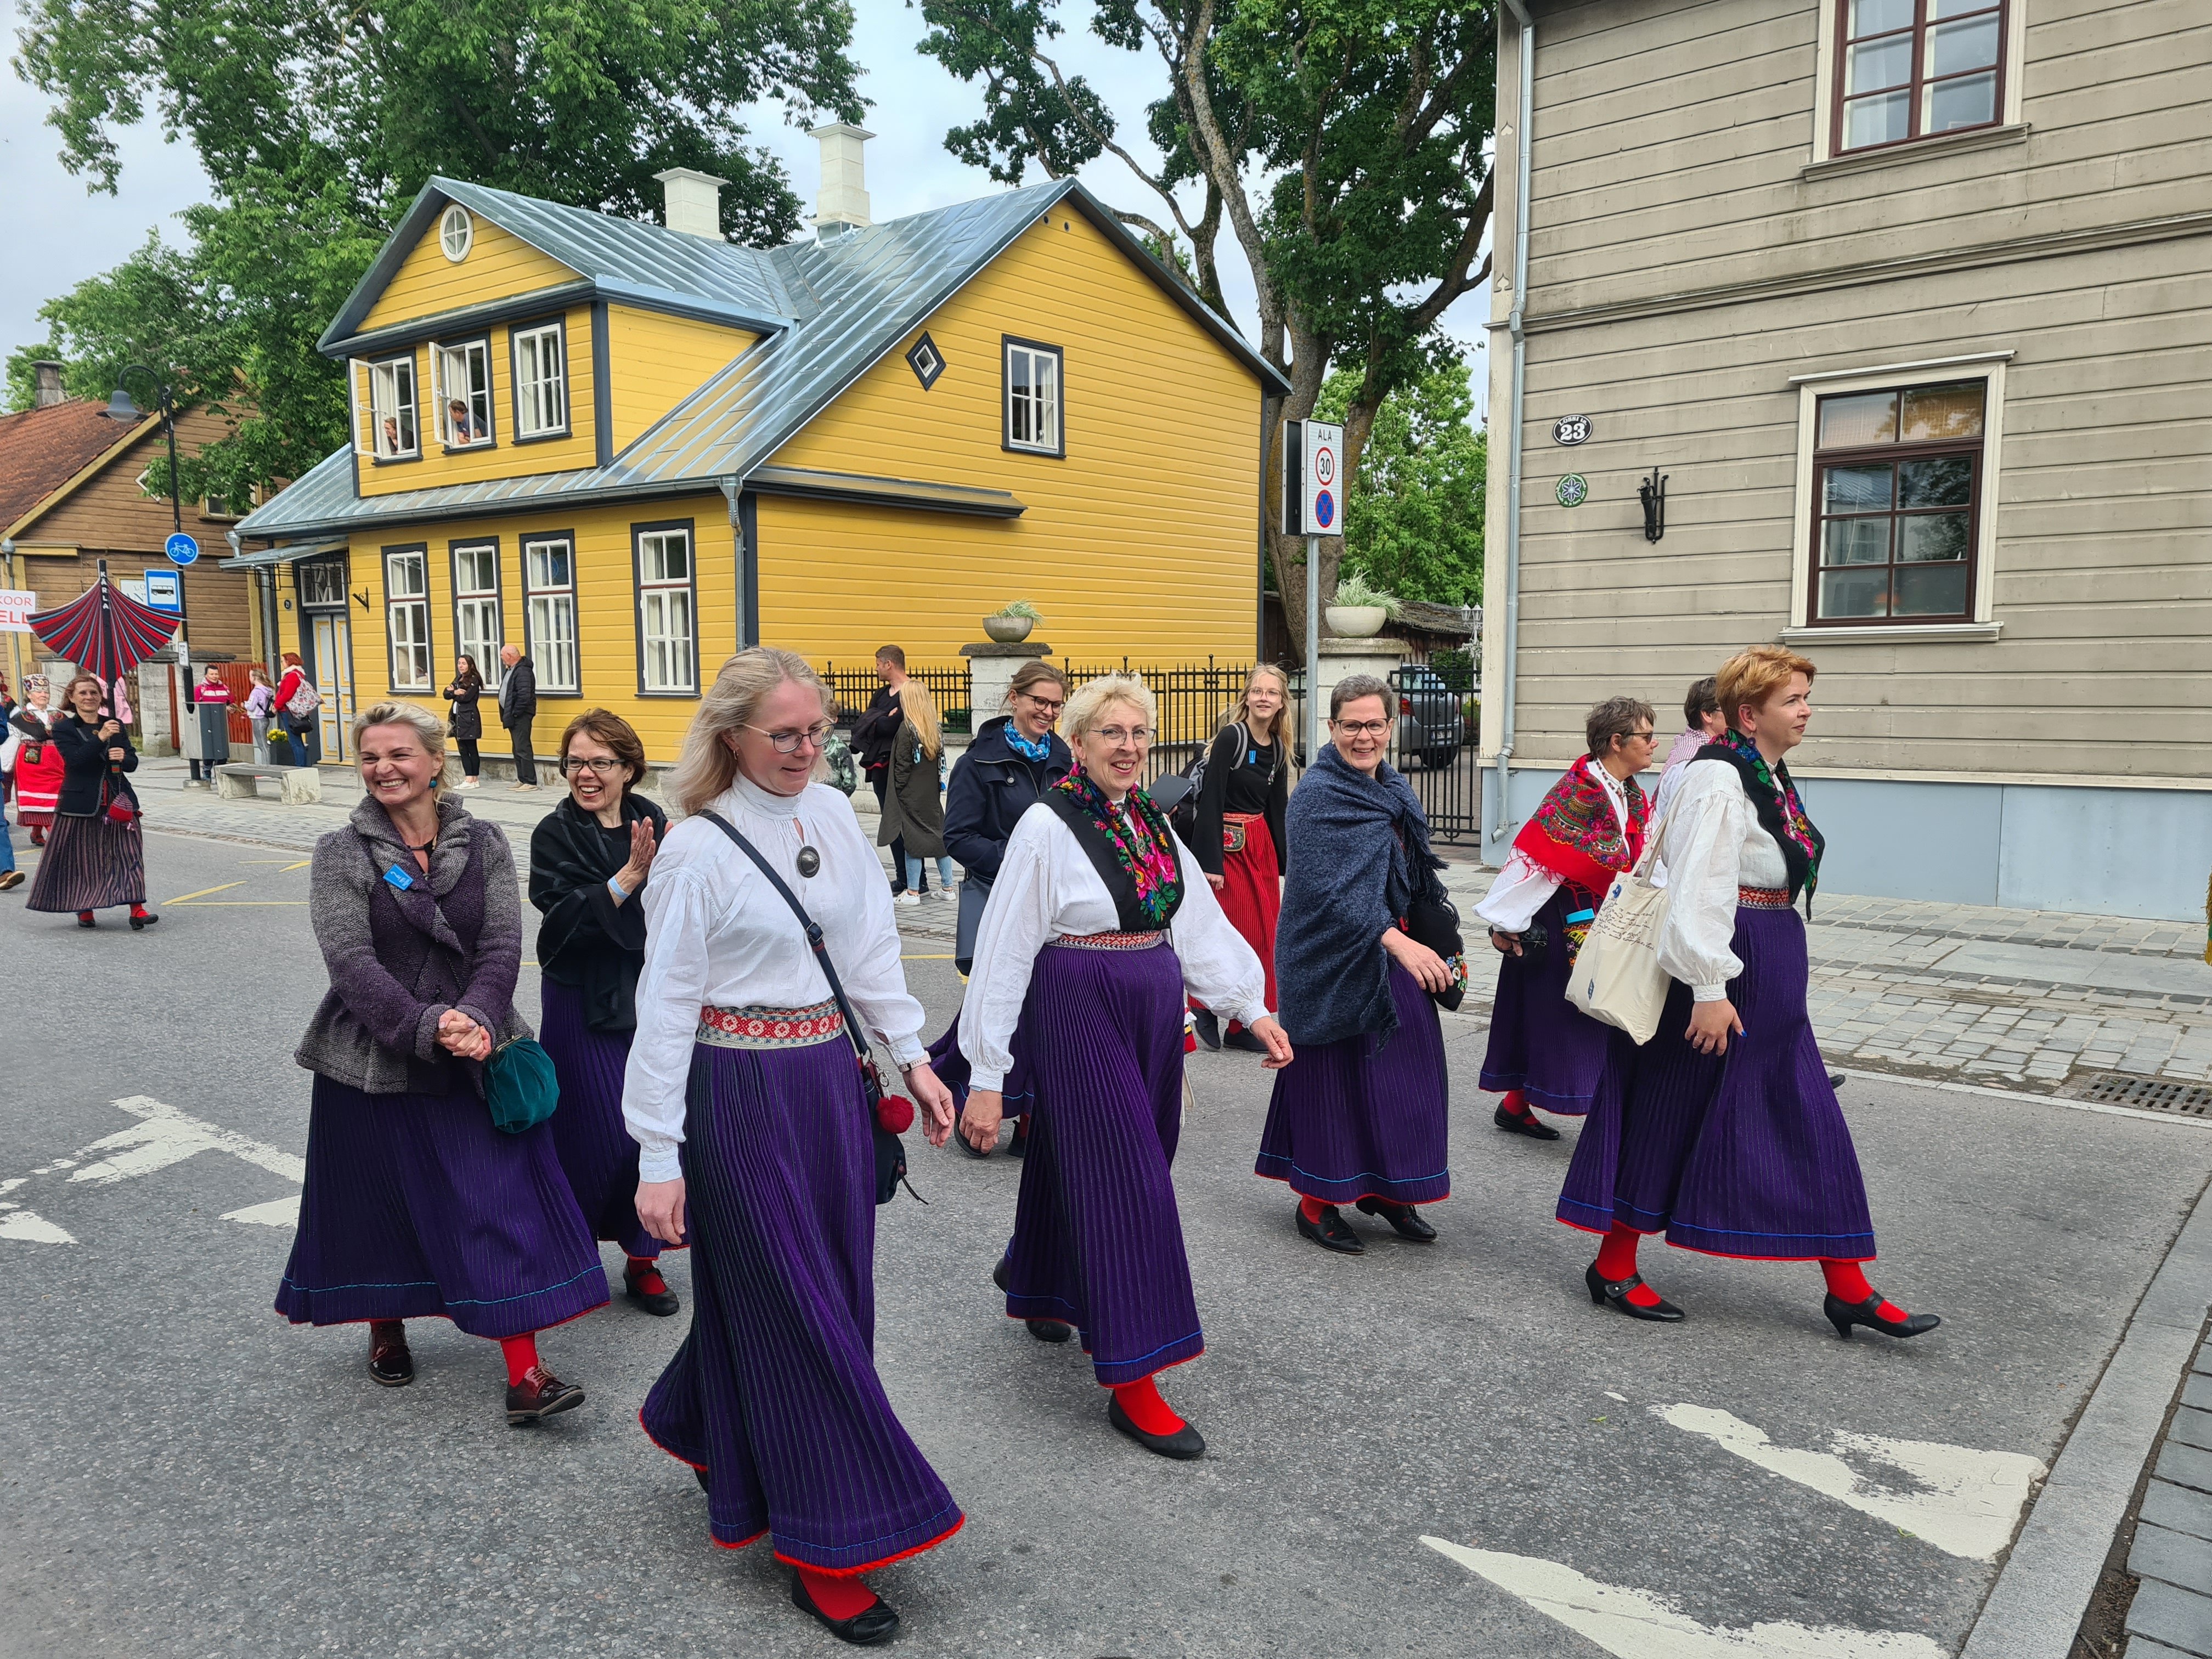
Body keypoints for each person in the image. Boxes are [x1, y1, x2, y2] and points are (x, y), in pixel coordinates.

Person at [624, 648, 961, 1645]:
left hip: (828, 1087)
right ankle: (829, 1538)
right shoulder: (695, 851)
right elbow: (665, 1008)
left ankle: (704, 1423)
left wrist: (913, 1057)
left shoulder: (834, 817)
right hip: (735, 1092)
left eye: (816, 730)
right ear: (732, 737)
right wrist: (657, 1157)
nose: (807, 749)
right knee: (797, 1304)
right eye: (784, 734)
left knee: (828, 1290)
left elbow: (868, 954)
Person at [1557, 646, 1939, 1340]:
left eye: (1805, 697)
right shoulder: (1717, 776)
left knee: (1806, 1117)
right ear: (1749, 714)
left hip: (1771, 959)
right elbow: (1698, 885)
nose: (1807, 710)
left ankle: (1848, 1286)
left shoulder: (1763, 771)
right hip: (1727, 966)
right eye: (1792, 700)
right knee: (1668, 1109)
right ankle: (1613, 1266)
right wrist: (1709, 987)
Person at [957, 672, 1292, 1459]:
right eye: (1112, 732)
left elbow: (1195, 921)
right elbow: (1005, 948)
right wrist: (986, 1077)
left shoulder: (1150, 819)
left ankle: (1041, 1274)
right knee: (1129, 1180)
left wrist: (1250, 1006)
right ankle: (1136, 1375)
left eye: (1139, 733)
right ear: (1077, 743)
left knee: (1115, 1154)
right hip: (1079, 1001)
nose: (1130, 747)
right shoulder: (1046, 824)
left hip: (1151, 1004)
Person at [276, 702, 607, 1419]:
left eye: (400, 754)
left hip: (477, 1049)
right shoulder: (342, 851)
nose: (384, 768)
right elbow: (350, 961)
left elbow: (502, 945)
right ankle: (385, 1325)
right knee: (377, 1203)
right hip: (375, 1051)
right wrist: (427, 1025)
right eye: (371, 757)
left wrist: (477, 1020)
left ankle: (526, 1373)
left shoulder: (484, 841)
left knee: (500, 1202)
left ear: (435, 763)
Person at [1259, 674, 1456, 1254]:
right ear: (1332, 727)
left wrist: (1429, 931)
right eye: (1351, 725)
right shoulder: (1317, 795)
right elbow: (1327, 893)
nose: (1363, 736)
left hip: (1390, 944)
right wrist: (1398, 942)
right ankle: (1316, 1202)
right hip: (1328, 957)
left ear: (1391, 727)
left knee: (1407, 1073)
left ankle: (1387, 1189)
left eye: (1374, 725)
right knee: (1333, 1081)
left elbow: (1413, 870)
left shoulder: (1393, 788)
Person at [529, 710, 675, 1316]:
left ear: (629, 768)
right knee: (589, 1132)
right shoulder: (554, 832)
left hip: (649, 993)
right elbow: (558, 919)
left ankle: (643, 1259)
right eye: (575, 763)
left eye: (599, 763)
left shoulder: (654, 820)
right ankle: (573, 1254)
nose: (584, 775)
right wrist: (627, 879)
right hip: (582, 998)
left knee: (650, 1128)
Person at [1474, 697, 1658, 1138]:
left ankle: (1518, 1105)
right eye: (1647, 736)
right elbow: (1536, 857)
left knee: (1576, 1015)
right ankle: (1603, 1120)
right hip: (1564, 920)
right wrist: (1506, 923)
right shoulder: (1579, 791)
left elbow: (1638, 852)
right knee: (1565, 1017)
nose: (1655, 744)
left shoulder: (1629, 791)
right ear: (1617, 742)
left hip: (1603, 915)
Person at [928, 661, 1071, 1158]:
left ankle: (1032, 1116)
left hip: (1054, 905)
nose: (1048, 712)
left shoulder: (1067, 758)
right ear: (1015, 698)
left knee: (1045, 1011)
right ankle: (972, 1101)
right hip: (998, 898)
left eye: (1056, 704)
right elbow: (958, 837)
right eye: (1039, 701)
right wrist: (1017, 862)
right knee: (1000, 1007)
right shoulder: (977, 762)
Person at [1190, 664, 1291, 1055]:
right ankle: (1202, 1007)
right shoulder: (1233, 737)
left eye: (1272, 693)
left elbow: (1277, 809)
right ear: (1247, 697)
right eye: (1257, 691)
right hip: (1228, 849)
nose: (1264, 698)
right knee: (1227, 930)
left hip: (1260, 849)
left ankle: (1241, 1023)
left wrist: (1289, 866)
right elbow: (1211, 798)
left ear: (1282, 702)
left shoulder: (1278, 748)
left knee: (1263, 932)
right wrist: (1209, 863)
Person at [25, 675, 155, 930]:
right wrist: (101, 737)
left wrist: (123, 757)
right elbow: (75, 761)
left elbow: (132, 763)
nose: (89, 697)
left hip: (118, 799)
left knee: (128, 854)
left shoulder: (115, 724)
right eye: (83, 693)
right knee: (83, 858)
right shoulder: (64, 728)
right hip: (81, 801)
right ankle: (85, 907)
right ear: (72, 698)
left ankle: (137, 909)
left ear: (101, 697)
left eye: (94, 692)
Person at [852, 646, 927, 897]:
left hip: (905, 766)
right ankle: (903, 878)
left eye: (877, 664)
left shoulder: (913, 691)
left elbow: (892, 725)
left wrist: (881, 719)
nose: (876, 669)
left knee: (909, 821)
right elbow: (870, 722)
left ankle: (919, 880)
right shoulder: (881, 694)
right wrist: (884, 718)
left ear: (888, 664)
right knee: (890, 820)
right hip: (880, 765)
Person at [878, 680, 952, 909]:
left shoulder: (907, 729)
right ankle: (948, 888)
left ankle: (912, 891)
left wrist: (899, 790)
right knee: (938, 837)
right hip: (931, 793)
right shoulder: (933, 728)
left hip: (911, 794)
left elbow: (902, 766)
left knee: (912, 842)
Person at [1653, 675, 1725, 825]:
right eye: (1730, 710)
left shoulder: (1693, 747)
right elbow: (1689, 825)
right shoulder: (1695, 763)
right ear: (1707, 715)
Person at [9, 676, 64, 844]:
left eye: (46, 692)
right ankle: (55, 838)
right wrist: (5, 766)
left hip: (56, 762)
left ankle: (36, 833)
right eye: (39, 691)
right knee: (38, 799)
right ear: (29, 695)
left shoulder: (58, 715)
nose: (43, 695)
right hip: (32, 762)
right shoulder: (20, 717)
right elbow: (13, 741)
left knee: (55, 798)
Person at [498, 644, 538, 789]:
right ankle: (522, 779)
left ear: (509, 656)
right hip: (512, 715)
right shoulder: (512, 669)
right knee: (517, 749)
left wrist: (515, 713)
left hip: (520, 716)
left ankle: (530, 781)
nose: (502, 659)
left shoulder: (523, 671)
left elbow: (524, 696)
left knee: (523, 747)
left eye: (502, 656)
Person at [443, 655, 486, 787]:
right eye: (459, 663)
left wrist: (454, 694)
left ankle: (472, 779)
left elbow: (466, 698)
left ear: (470, 665)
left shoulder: (474, 680)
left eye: (464, 663)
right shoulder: (458, 678)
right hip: (458, 719)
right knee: (463, 749)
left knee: (471, 748)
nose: (461, 666)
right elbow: (446, 694)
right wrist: (455, 693)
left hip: (468, 718)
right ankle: (470, 778)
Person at [188, 664, 233, 785]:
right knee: (208, 749)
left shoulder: (225, 688)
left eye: (216, 674)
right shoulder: (200, 689)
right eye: (212, 674)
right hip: (207, 724)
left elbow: (231, 703)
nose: (214, 676)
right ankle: (207, 773)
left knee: (222, 751)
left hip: (222, 723)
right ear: (206, 675)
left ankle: (220, 774)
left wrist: (230, 708)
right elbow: (197, 706)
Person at [274, 652, 318, 767]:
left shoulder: (292, 675)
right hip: (289, 711)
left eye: (283, 661)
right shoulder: (293, 674)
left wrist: (276, 706)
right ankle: (302, 765)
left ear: (289, 661)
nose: (282, 664)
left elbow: (287, 694)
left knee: (295, 742)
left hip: (288, 711)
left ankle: (300, 766)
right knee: (296, 741)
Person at [242, 666, 276, 765]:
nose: (249, 678)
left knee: (263, 746)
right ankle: (266, 765)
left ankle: (266, 767)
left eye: (250, 676)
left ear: (255, 678)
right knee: (264, 744)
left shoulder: (256, 691)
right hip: (265, 718)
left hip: (257, 719)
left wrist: (244, 704)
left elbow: (251, 706)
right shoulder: (267, 690)